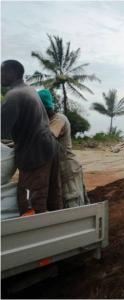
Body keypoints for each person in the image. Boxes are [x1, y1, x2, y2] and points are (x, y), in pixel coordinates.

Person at [1, 60, 62, 215]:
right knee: (51, 198)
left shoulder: (14, 95)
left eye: (2, 72)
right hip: (48, 147)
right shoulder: (29, 90)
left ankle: (39, 235)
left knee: (30, 201)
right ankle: (58, 232)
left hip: (34, 153)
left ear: (12, 73)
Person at [38, 89, 89, 208]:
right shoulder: (46, 121)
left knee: (72, 203)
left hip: (67, 169)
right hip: (58, 169)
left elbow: (46, 139)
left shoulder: (59, 119)